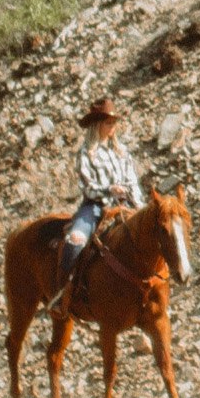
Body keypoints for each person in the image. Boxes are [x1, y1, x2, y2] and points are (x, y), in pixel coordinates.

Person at [57, 96, 141, 307]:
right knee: (74, 241)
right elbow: (87, 187)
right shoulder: (86, 154)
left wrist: (140, 206)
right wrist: (108, 189)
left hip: (125, 206)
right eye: (107, 122)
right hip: (95, 206)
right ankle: (62, 293)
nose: (112, 126)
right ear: (97, 124)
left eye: (114, 122)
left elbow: (133, 182)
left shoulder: (122, 152)